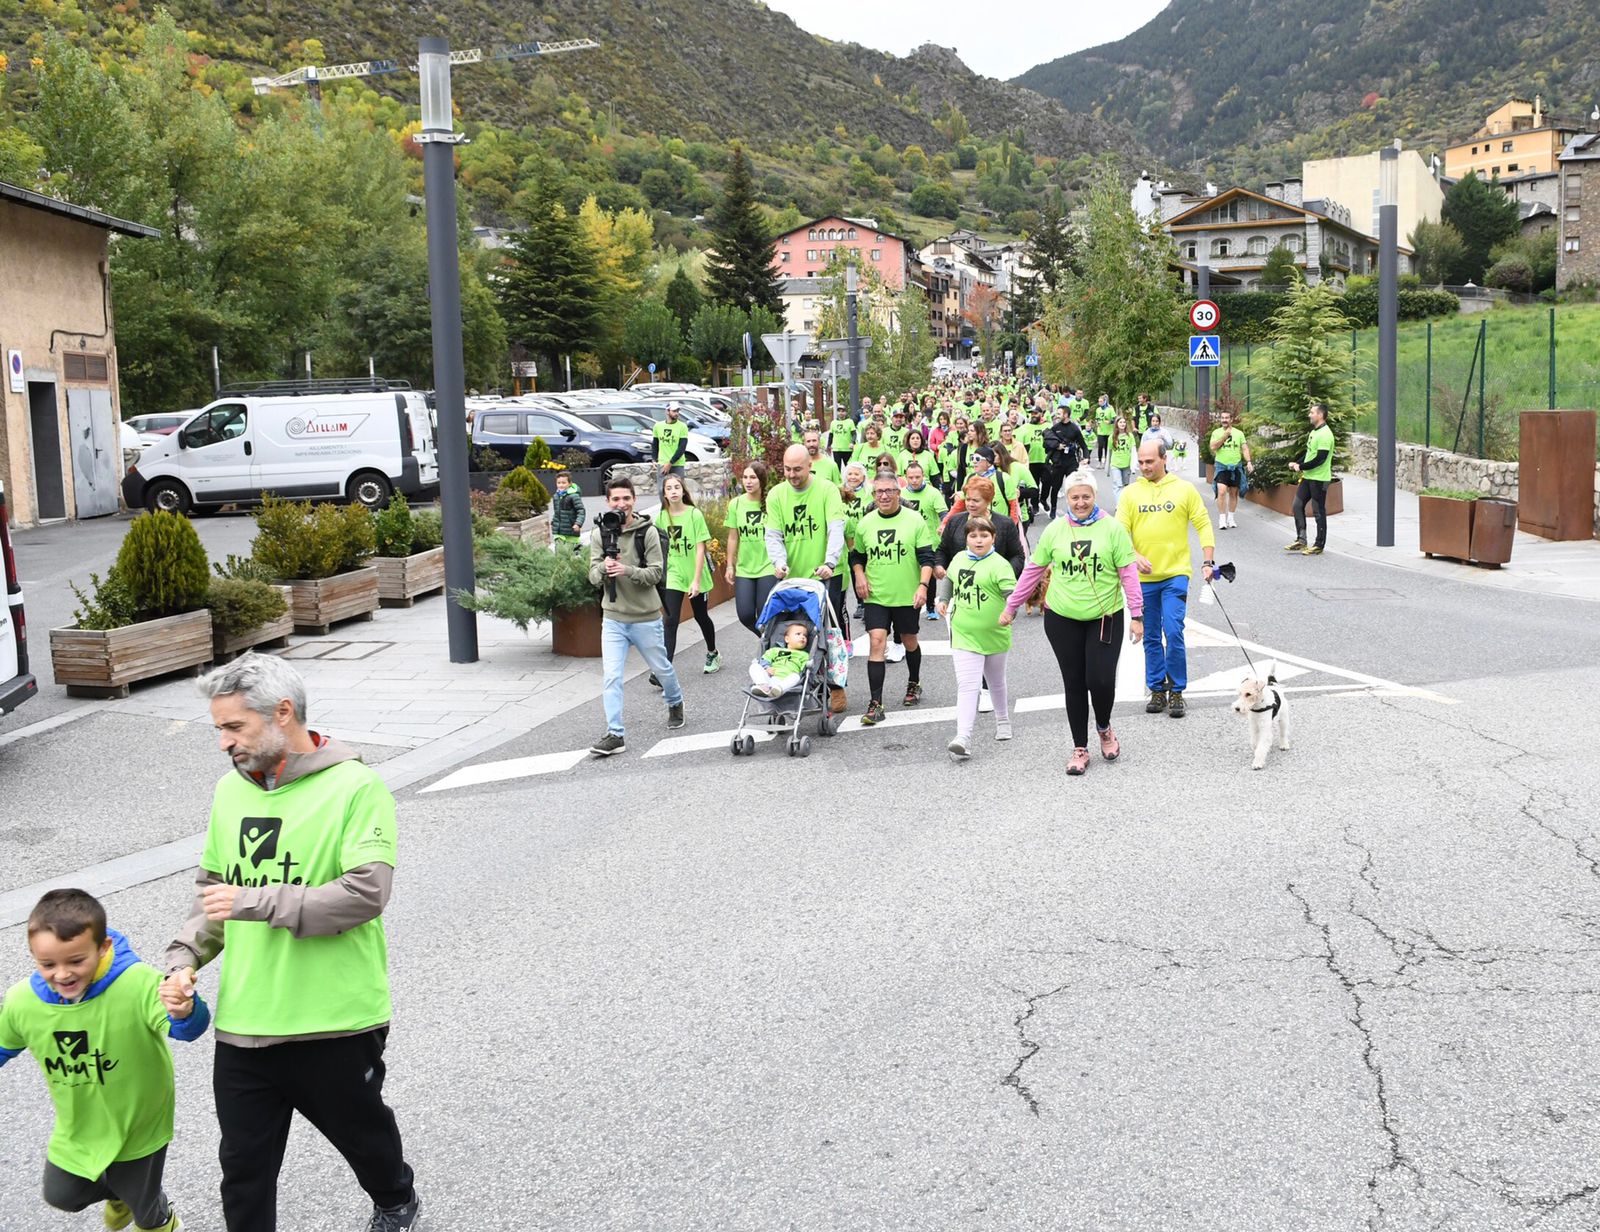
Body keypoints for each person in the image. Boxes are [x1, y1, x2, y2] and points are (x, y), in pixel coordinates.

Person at [162, 653, 420, 1231]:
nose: (223, 743)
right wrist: (182, 960)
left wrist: (254, 900)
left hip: (334, 1019)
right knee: (244, 1169)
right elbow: (212, 892)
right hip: (246, 1025)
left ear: (282, 713)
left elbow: (365, 894)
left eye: (234, 727)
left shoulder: (356, 787)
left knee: (363, 1136)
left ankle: (395, 1196)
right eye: (219, 729)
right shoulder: (230, 794)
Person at [2, 889, 207, 1232]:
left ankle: (163, 1219)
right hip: (79, 1128)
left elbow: (188, 1029)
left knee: (147, 1216)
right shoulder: (23, 1001)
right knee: (61, 1194)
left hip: (138, 1128)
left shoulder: (138, 984)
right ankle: (119, 1194)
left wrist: (184, 1009)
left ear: (103, 948)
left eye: (76, 961)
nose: (63, 974)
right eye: (48, 964)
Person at [1005, 470, 1143, 775]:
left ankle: (1104, 726)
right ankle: (1080, 747)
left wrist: (1136, 615)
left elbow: (1128, 574)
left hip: (1104, 616)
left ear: (1094, 496)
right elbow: (1033, 570)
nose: (1080, 502)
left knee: (1101, 680)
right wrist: (1012, 605)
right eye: (1074, 497)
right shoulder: (1055, 530)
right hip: (1061, 618)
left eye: (1086, 496)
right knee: (1075, 682)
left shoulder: (1112, 529)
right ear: (1067, 498)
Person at [585, 476, 684, 754]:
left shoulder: (647, 532)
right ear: (608, 502)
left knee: (662, 668)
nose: (621, 504)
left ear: (634, 501)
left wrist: (627, 570)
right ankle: (615, 734)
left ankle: (675, 701)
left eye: (626, 498)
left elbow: (656, 573)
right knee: (612, 676)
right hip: (614, 618)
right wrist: (604, 567)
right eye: (615, 499)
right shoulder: (599, 535)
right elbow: (592, 577)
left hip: (645, 616)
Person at [1117, 439, 1215, 719]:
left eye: (1150, 461)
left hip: (1175, 574)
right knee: (1149, 635)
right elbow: (1120, 531)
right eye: (1141, 462)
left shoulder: (1184, 489)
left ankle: (1177, 691)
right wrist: (1134, 555)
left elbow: (1203, 523)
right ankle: (1157, 688)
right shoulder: (1130, 494)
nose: (1145, 467)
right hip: (1143, 579)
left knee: (1173, 630)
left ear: (1164, 459)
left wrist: (1208, 561)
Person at [766, 444, 848, 711]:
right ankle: (794, 682)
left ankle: (836, 687)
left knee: (828, 633)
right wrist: (779, 563)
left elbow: (836, 529)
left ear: (810, 465)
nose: (791, 474)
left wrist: (830, 562)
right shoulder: (777, 494)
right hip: (792, 577)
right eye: (787, 469)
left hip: (824, 574)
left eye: (797, 469)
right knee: (795, 632)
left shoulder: (826, 490)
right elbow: (774, 534)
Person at [850, 473, 934, 725]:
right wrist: (859, 575)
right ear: (873, 495)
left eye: (889, 491)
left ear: (899, 492)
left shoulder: (914, 520)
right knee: (877, 642)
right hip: (877, 595)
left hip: (907, 594)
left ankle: (914, 682)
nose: (884, 496)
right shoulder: (866, 523)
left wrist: (923, 587)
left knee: (909, 640)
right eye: (879, 492)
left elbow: (926, 558)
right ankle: (876, 703)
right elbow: (856, 557)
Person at [938, 516, 1017, 759]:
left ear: (993, 538)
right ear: (966, 538)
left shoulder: (1000, 564)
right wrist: (943, 600)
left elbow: (1012, 594)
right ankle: (963, 737)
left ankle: (1002, 720)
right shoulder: (960, 558)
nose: (978, 540)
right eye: (973, 535)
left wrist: (1009, 611)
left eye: (984, 535)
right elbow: (950, 580)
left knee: (995, 681)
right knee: (968, 685)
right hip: (963, 632)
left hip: (994, 633)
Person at [657, 474, 720, 675]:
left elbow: (700, 549)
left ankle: (713, 652)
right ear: (664, 493)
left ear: (683, 491)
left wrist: (695, 580)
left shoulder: (694, 515)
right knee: (670, 620)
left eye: (677, 487)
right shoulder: (662, 517)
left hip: (695, 573)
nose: (674, 491)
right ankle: (664, 670)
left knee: (701, 616)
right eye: (669, 488)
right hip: (674, 574)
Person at [725, 460, 776, 636]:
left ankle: (769, 650)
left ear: (761, 480)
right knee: (745, 615)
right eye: (745, 477)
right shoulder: (736, 504)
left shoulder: (771, 503)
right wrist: (730, 565)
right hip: (744, 568)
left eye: (753, 477)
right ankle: (769, 641)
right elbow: (733, 536)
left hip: (768, 566)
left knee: (764, 613)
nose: (748, 481)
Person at [899, 461, 948, 620]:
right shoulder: (900, 494)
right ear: (906, 477)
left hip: (929, 541)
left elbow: (943, 514)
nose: (914, 480)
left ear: (923, 476)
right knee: (910, 573)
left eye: (917, 477)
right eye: (911, 477)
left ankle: (930, 607)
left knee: (929, 576)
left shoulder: (933, 493)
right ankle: (908, 602)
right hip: (907, 541)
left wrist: (943, 525)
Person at [1286, 401, 1335, 556]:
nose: (1309, 415)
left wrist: (1301, 467)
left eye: (1312, 412)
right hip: (1308, 477)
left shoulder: (1326, 434)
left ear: (1320, 415)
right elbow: (1309, 454)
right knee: (1297, 505)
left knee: (1318, 511)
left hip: (1320, 479)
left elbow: (1320, 458)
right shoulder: (1314, 432)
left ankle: (1319, 544)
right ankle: (1301, 539)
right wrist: (1298, 463)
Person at [1209, 409, 1254, 529]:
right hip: (1221, 466)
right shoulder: (1216, 432)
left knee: (1234, 493)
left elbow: (1244, 448)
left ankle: (1231, 518)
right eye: (1222, 418)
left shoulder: (1239, 433)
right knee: (1222, 491)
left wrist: (1248, 462)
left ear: (1231, 419)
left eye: (1226, 418)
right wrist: (1225, 436)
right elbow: (1213, 447)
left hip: (1235, 466)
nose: (1224, 420)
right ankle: (1222, 519)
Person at [1042, 408, 1089, 517]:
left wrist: (1086, 457)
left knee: (1072, 487)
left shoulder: (1075, 429)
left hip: (1071, 462)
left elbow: (1084, 446)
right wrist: (1056, 446)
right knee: (1056, 487)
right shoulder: (1055, 428)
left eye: (1059, 413)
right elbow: (1046, 443)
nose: (1057, 415)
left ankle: (1073, 509)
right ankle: (1053, 508)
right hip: (1058, 462)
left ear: (1066, 414)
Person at [749, 621, 811, 698]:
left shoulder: (804, 655)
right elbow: (765, 659)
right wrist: (767, 668)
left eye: (805, 636)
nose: (802, 637)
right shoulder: (775, 650)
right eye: (798, 634)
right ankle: (763, 686)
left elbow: (804, 670)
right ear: (787, 639)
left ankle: (778, 689)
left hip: (787, 681)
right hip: (771, 678)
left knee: (796, 677)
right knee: (754, 666)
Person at [652, 402, 689, 494]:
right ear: (667, 411)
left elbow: (682, 448)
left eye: (678, 411)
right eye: (674, 411)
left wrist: (670, 463)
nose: (677, 413)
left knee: (678, 490)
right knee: (662, 491)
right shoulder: (658, 426)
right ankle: (665, 508)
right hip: (662, 463)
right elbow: (655, 444)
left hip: (677, 463)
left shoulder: (682, 426)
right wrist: (654, 459)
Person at [549, 470, 585, 553]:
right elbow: (557, 512)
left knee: (573, 552)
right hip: (558, 530)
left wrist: (578, 524)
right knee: (560, 551)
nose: (561, 485)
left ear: (569, 483)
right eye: (559, 483)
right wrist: (553, 522)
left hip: (571, 529)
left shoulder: (574, 496)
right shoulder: (556, 496)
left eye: (563, 483)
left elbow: (581, 510)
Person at [1108, 416, 1134, 499]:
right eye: (1120, 422)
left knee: (1126, 485)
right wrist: (1107, 467)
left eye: (1124, 422)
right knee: (1118, 485)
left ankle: (1125, 503)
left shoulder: (1130, 436)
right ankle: (1119, 505)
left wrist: (1134, 464)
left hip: (1126, 464)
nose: (1122, 424)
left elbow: (1133, 450)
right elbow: (1110, 452)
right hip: (1115, 464)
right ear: (1116, 424)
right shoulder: (1111, 437)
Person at [1093, 394, 1116, 466]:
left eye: (1101, 401)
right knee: (1100, 446)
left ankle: (1107, 461)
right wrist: (1096, 422)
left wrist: (1110, 422)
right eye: (1099, 401)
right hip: (1100, 431)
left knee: (1107, 446)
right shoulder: (1098, 410)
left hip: (1109, 431)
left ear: (1105, 401)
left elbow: (1115, 418)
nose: (1099, 403)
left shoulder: (1110, 409)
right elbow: (1097, 418)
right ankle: (1099, 462)